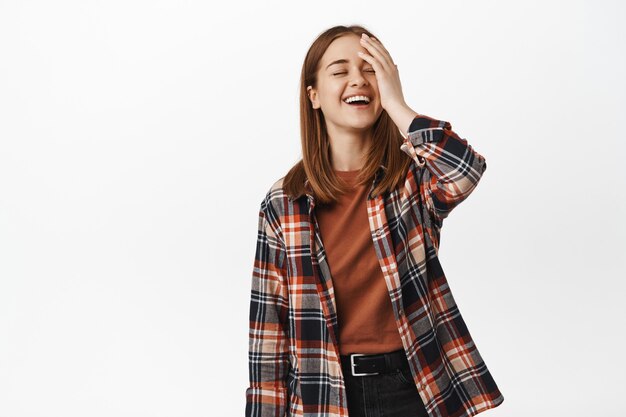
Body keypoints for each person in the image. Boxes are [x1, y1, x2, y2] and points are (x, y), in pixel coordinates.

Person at [245, 25, 504, 417]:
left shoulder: (412, 181)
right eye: (339, 70)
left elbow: (465, 171)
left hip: (414, 386)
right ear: (313, 95)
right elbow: (269, 337)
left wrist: (397, 105)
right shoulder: (285, 202)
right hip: (324, 394)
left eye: (369, 68)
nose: (357, 79)